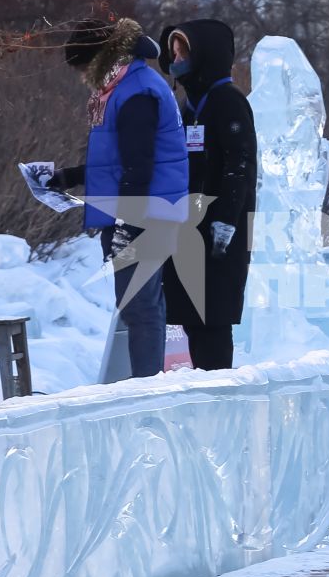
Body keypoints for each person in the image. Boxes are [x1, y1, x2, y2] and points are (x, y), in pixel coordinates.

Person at [49, 19, 189, 379]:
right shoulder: (127, 86)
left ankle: (146, 391)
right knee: (141, 306)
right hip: (149, 212)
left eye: (82, 67)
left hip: (145, 215)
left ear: (97, 58)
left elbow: (138, 167)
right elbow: (120, 160)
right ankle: (147, 385)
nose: (82, 77)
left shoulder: (136, 93)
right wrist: (71, 177)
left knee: (139, 307)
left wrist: (128, 223)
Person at [160, 20, 257, 371]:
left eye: (182, 50)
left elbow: (240, 165)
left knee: (213, 317)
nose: (176, 57)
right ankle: (202, 390)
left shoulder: (228, 102)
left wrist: (226, 221)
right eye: (173, 50)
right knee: (191, 317)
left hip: (218, 233)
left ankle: (219, 395)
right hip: (187, 228)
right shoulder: (188, 106)